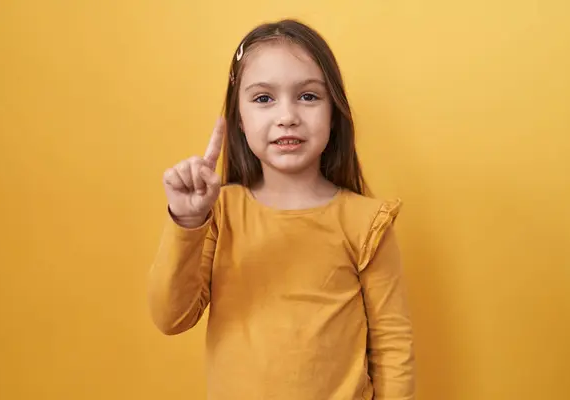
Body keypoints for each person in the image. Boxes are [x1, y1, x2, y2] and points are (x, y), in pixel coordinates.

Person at [148, 18, 415, 400]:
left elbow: (393, 349)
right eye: (263, 99)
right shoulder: (219, 213)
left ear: (333, 113)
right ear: (239, 119)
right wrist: (188, 221)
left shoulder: (368, 223)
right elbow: (170, 317)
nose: (287, 115)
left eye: (308, 96)